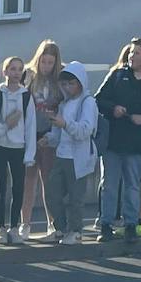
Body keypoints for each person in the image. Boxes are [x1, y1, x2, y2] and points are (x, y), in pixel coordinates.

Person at [94, 36, 141, 243]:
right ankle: (106, 224)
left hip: (138, 143)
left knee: (133, 185)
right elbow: (99, 99)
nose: (132, 56)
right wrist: (113, 108)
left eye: (137, 52)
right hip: (114, 140)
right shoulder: (117, 74)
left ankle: (131, 224)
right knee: (109, 184)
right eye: (131, 52)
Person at [43, 63, 97, 245]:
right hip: (62, 155)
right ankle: (61, 228)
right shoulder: (64, 104)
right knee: (51, 193)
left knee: (76, 197)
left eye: (72, 83)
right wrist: (48, 139)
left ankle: (76, 231)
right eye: (65, 84)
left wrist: (65, 124)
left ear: (81, 83)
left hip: (78, 158)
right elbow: (58, 133)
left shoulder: (88, 102)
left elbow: (86, 130)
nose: (67, 87)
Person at [22, 39, 65, 233]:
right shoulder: (29, 76)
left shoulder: (60, 80)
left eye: (50, 62)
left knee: (48, 180)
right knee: (28, 181)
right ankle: (25, 223)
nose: (46, 66)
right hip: (31, 132)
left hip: (50, 134)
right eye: (44, 61)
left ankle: (52, 223)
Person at [0, 55, 32, 244]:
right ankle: (0, 227)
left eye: (19, 69)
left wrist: (29, 153)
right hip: (0, 147)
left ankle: (14, 226)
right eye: (12, 69)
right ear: (5, 72)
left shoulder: (26, 96)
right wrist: (6, 125)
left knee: (18, 187)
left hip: (18, 147)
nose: (16, 72)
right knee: (0, 188)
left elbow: (30, 125)